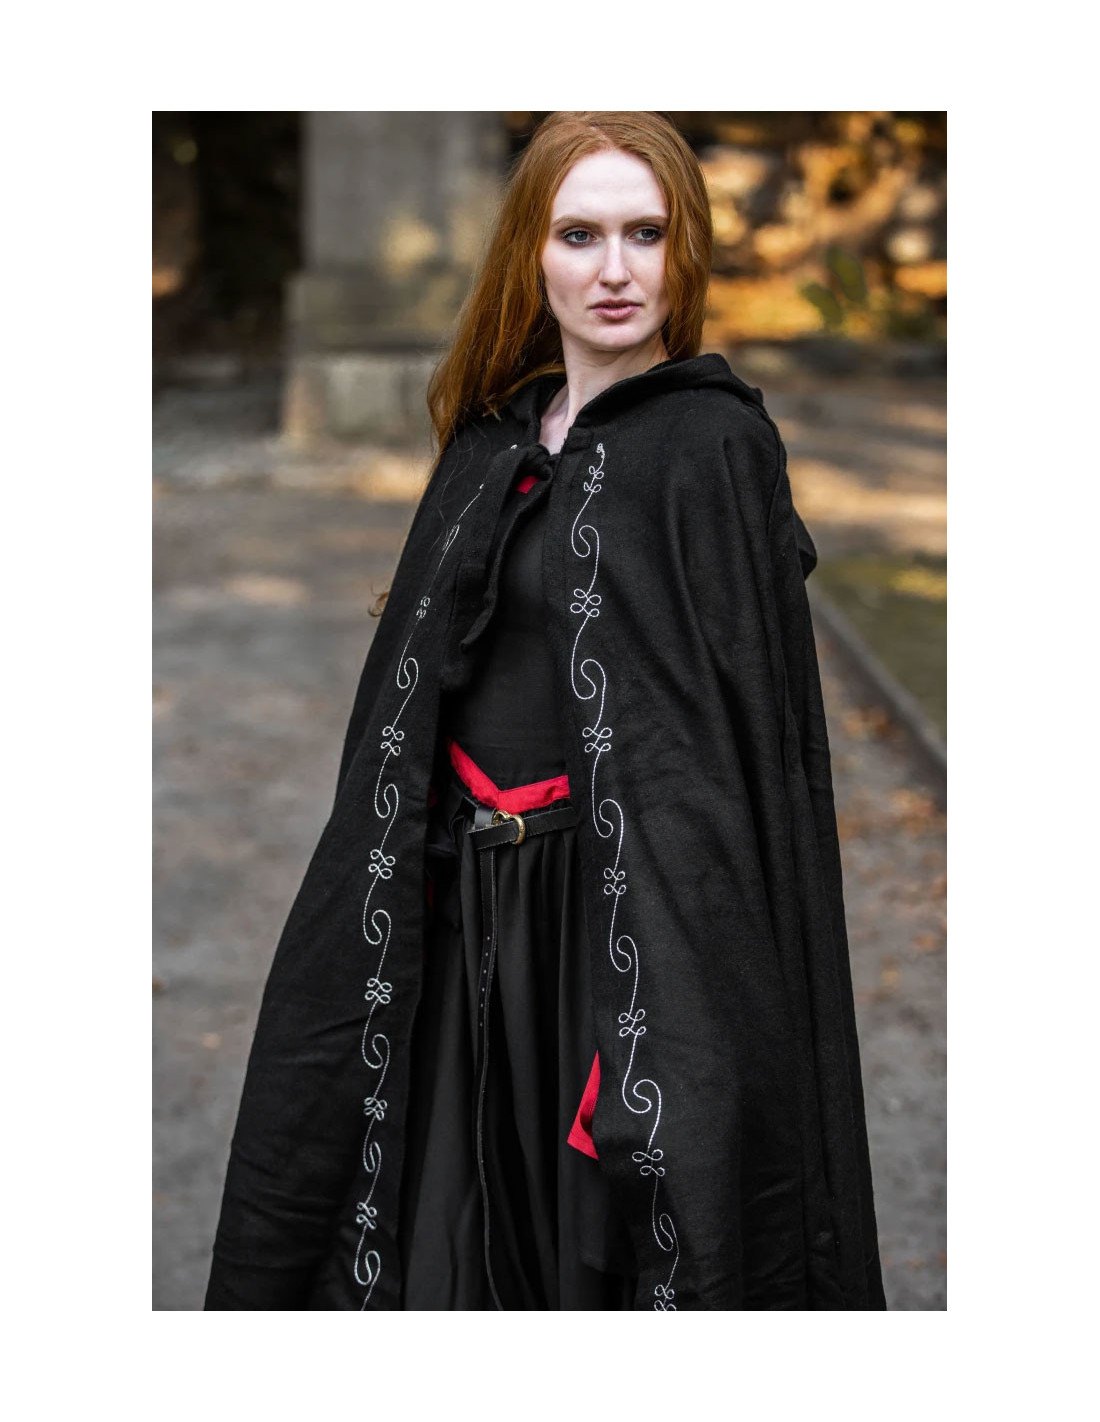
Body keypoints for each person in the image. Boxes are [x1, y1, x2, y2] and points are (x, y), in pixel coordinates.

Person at [205, 111, 887, 1312]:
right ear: (532, 251)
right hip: (459, 908)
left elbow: (723, 766)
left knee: (603, 1248)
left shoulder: (713, 447)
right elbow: (414, 699)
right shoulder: (490, 440)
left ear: (684, 252)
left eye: (644, 234)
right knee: (448, 1241)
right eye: (579, 235)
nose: (613, 270)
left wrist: (669, 1009)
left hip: (614, 928)